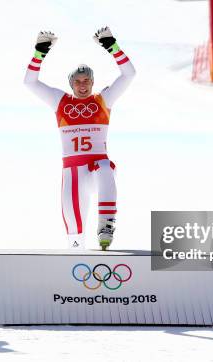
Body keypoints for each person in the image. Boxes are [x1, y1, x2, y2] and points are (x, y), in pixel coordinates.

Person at [24, 27, 136, 250]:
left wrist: (112, 46)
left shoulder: (103, 100)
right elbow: (30, 82)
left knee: (105, 167)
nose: (83, 85)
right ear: (71, 83)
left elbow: (129, 75)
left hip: (96, 169)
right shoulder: (60, 101)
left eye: (87, 81)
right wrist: (40, 52)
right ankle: (77, 255)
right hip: (72, 174)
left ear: (92, 83)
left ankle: (106, 225)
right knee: (75, 238)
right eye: (78, 81)